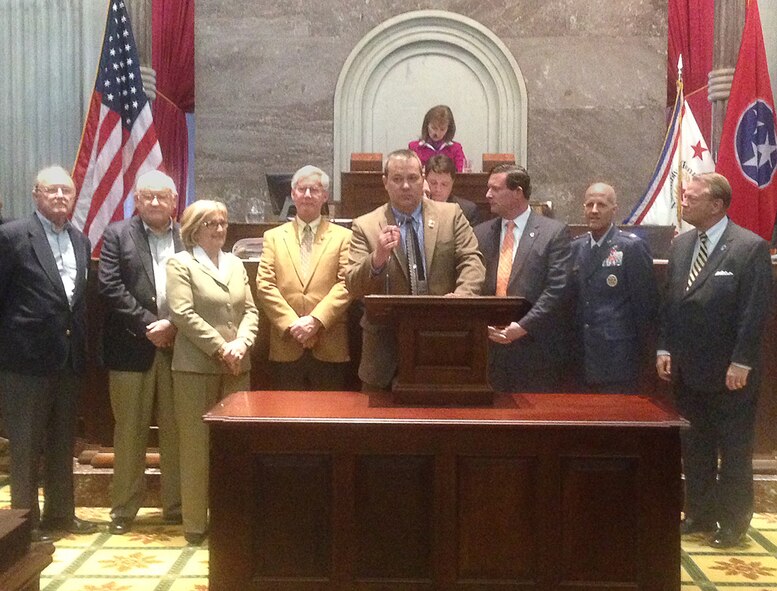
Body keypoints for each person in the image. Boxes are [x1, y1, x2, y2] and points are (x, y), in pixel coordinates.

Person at [657, 172, 772, 549]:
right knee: (696, 447)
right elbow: (671, 304)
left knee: (733, 449)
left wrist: (742, 361)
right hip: (688, 369)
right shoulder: (682, 244)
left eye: (691, 197)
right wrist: (664, 348)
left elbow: (753, 313)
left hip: (730, 373)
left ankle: (734, 522)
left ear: (717, 204)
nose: (684, 202)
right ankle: (700, 513)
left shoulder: (748, 246)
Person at [0, 166, 97, 541]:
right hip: (24, 361)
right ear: (36, 194)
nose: (60, 196)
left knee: (61, 443)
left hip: (68, 359)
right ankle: (25, 524)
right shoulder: (10, 236)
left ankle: (61, 515)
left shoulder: (80, 239)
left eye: (66, 191)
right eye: (51, 190)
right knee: (25, 447)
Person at [345, 149, 485, 390]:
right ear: (385, 183)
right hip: (385, 353)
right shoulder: (366, 225)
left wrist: (462, 298)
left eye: (412, 178)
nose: (406, 186)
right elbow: (354, 286)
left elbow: (472, 260)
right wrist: (377, 258)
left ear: (422, 179)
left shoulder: (450, 215)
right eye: (397, 179)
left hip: (445, 341)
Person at [166, 200, 259, 544]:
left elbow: (250, 310)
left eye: (222, 223)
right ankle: (194, 524)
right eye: (211, 224)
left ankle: (230, 518)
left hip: (237, 367)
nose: (219, 229)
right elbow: (182, 313)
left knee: (234, 446)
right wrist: (221, 347)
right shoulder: (180, 263)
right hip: (196, 368)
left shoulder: (235, 263)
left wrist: (242, 344)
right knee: (195, 446)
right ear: (193, 229)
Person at [98, 170, 183, 535]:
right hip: (132, 347)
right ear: (136, 199)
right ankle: (124, 509)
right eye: (147, 196)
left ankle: (176, 506)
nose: (154, 202)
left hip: (180, 347)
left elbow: (200, 287)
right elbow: (109, 285)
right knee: (129, 431)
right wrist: (150, 324)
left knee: (177, 431)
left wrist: (174, 325)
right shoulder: (117, 234)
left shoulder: (188, 236)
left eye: (162, 196)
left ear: (174, 202)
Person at [474, 164, 572, 392]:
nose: (488, 195)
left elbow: (557, 289)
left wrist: (522, 326)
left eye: (495, 189)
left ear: (517, 192)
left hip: (534, 350)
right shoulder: (481, 232)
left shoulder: (553, 233)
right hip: (490, 349)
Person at [256, 165, 353, 390]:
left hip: (329, 345)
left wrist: (314, 321)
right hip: (286, 344)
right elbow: (265, 285)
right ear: (292, 194)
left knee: (329, 419)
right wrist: (293, 325)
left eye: (314, 190)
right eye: (302, 189)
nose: (307, 195)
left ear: (325, 196)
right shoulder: (273, 237)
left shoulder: (343, 237)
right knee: (286, 419)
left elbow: (345, 284)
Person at [570, 182, 658, 393]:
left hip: (618, 355)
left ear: (614, 210)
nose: (594, 210)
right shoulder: (575, 247)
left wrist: (647, 353)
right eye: (589, 204)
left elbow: (645, 304)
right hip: (582, 353)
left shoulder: (630, 246)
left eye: (601, 205)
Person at [425, 154, 480, 226]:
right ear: (425, 180)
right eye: (433, 183)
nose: (438, 189)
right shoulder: (418, 207)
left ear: (452, 183)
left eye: (444, 184)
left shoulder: (467, 210)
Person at [408, 105, 466, 172]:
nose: (437, 133)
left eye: (442, 129)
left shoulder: (456, 148)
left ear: (448, 129)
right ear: (427, 126)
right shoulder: (414, 148)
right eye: (434, 128)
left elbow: (461, 174)